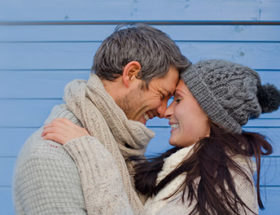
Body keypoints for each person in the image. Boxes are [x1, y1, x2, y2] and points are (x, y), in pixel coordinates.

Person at [42, 59, 280, 215]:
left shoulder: (225, 184)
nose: (166, 111)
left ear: (211, 113)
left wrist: (90, 154)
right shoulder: (197, 168)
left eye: (177, 100)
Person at [13, 24, 190, 215]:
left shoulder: (120, 151)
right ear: (131, 74)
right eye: (162, 94)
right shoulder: (50, 157)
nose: (164, 111)